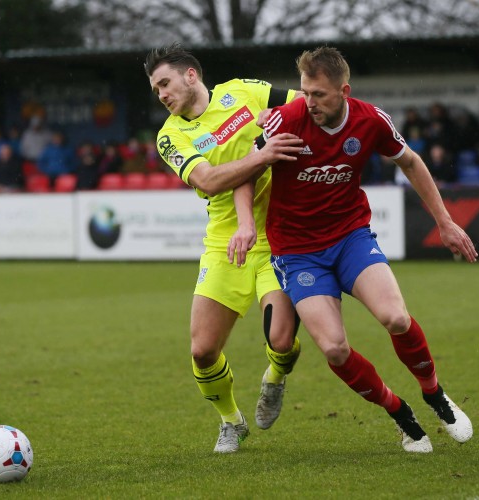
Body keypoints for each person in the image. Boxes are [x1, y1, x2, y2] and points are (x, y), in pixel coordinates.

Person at [245, 46, 476, 453]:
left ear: (344, 91)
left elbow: (411, 162)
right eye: (304, 92)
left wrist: (445, 221)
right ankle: (400, 414)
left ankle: (434, 393)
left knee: (396, 317)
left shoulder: (372, 120)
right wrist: (247, 223)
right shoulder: (286, 120)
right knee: (334, 347)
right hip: (297, 252)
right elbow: (246, 173)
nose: (308, 102)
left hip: (350, 237)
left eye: (319, 95)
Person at [144, 43, 305, 453]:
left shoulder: (243, 91)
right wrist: (263, 153)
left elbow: (304, 104)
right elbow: (210, 181)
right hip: (224, 243)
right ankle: (232, 421)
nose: (161, 94)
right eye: (156, 89)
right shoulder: (171, 135)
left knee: (282, 343)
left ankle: (275, 377)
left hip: (280, 236)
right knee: (202, 351)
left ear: (191, 75)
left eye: (165, 82)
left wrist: (279, 123)